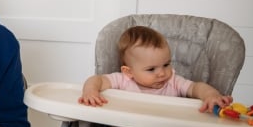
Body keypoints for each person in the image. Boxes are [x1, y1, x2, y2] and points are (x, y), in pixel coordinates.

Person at [78, 25, 233, 111]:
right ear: (129, 71)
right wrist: (90, 91)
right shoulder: (122, 80)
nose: (162, 73)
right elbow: (96, 80)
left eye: (166, 64)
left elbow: (196, 87)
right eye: (151, 69)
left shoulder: (173, 81)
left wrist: (211, 95)